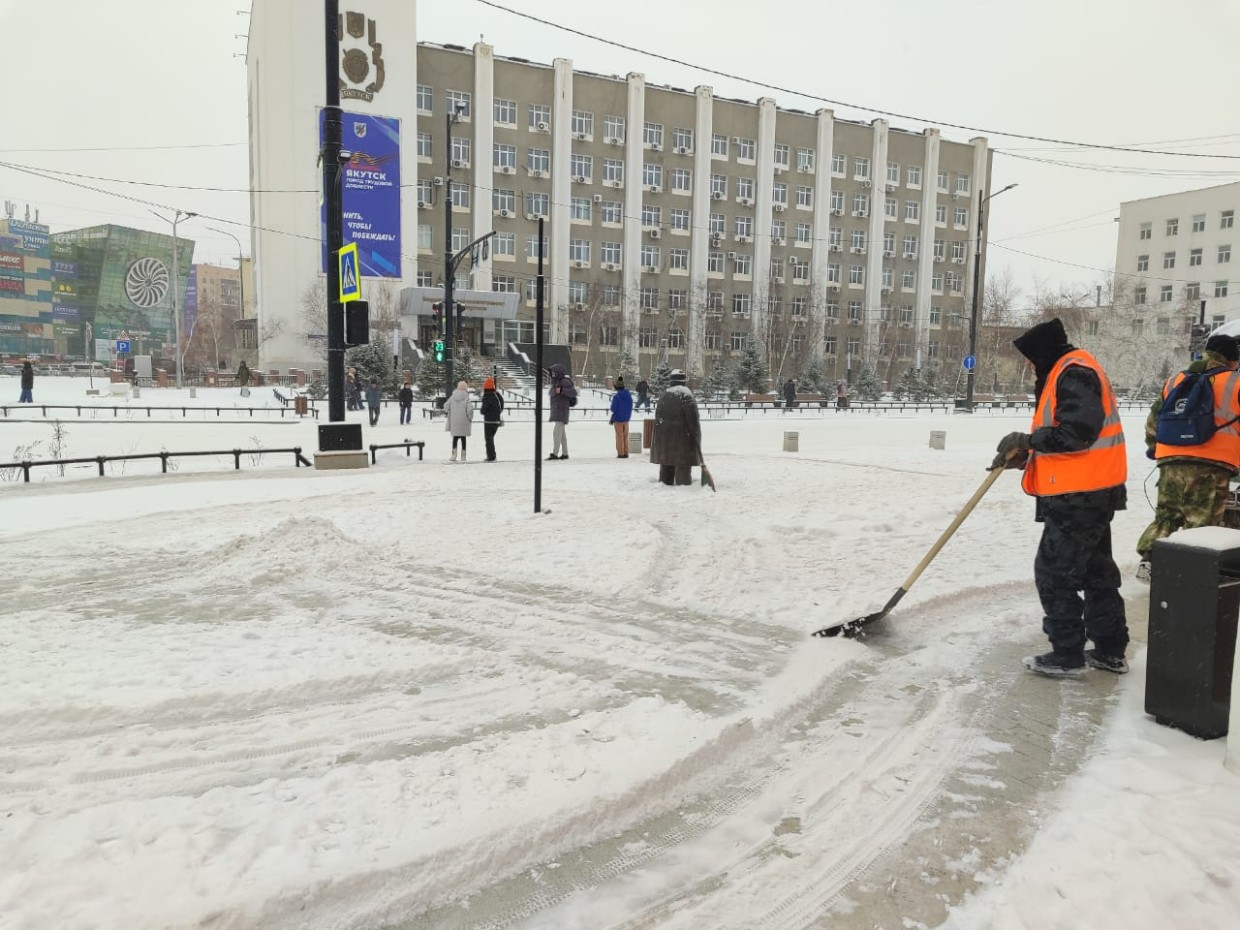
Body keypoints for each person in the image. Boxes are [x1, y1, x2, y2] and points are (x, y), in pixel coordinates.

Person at [992, 317, 1129, 677]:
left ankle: (1067, 654)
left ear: (1043, 352)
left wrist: (1028, 440)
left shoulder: (1075, 372)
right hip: (1090, 490)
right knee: (1096, 573)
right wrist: (1024, 457)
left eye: (1030, 357)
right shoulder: (1069, 371)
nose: (1028, 364)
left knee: (1054, 574)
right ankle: (1109, 650)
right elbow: (1067, 438)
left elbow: (1077, 433)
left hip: (1080, 497)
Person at [1135, 333, 1240, 581]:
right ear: (1232, 359)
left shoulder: (1176, 380)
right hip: (1213, 465)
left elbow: (1153, 424)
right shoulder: (1235, 382)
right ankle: (1189, 576)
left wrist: (1158, 449)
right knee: (1200, 522)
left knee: (1168, 514)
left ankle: (1150, 560)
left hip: (1170, 461)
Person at [650, 369, 702, 486]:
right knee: (683, 466)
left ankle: (664, 484)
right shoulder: (686, 394)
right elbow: (693, 420)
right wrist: (696, 437)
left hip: (665, 441)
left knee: (666, 465)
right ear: (683, 380)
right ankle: (683, 487)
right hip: (683, 440)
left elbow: (658, 419)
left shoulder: (665, 394)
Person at [547, 363, 577, 460]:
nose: (551, 374)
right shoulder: (556, 382)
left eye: (552, 372)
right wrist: (556, 391)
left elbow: (573, 393)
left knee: (556, 433)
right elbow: (551, 392)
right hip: (557, 410)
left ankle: (555, 453)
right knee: (562, 434)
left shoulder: (565, 381)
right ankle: (565, 453)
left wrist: (562, 390)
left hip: (562, 410)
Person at [443, 379, 474, 462]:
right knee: (463, 438)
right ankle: (463, 456)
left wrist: (449, 411)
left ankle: (454, 455)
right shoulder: (467, 398)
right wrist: (470, 418)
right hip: (464, 421)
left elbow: (446, 406)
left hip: (454, 422)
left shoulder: (452, 397)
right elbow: (470, 410)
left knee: (455, 438)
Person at [480, 376, 505, 462]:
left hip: (488, 421)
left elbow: (483, 410)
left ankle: (491, 456)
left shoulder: (486, 397)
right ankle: (492, 455)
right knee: (491, 438)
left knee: (488, 439)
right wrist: (498, 412)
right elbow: (502, 404)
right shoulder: (497, 395)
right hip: (497, 421)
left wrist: (484, 411)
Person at [609, 375, 634, 458]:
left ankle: (621, 453)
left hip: (618, 419)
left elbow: (613, 409)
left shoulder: (617, 397)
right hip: (626, 419)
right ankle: (626, 452)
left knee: (619, 437)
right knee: (625, 436)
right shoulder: (629, 396)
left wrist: (613, 418)